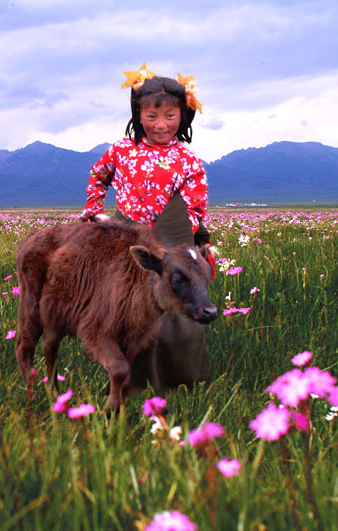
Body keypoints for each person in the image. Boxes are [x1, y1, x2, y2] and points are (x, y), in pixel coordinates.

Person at [80, 63, 214, 395]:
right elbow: (98, 175)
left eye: (170, 116)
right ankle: (126, 377)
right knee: (125, 305)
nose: (161, 124)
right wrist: (94, 210)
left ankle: (179, 379)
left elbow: (196, 202)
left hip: (171, 235)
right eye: (151, 116)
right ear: (137, 114)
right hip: (125, 234)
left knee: (177, 306)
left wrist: (190, 234)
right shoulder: (122, 150)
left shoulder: (187, 159)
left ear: (183, 116)